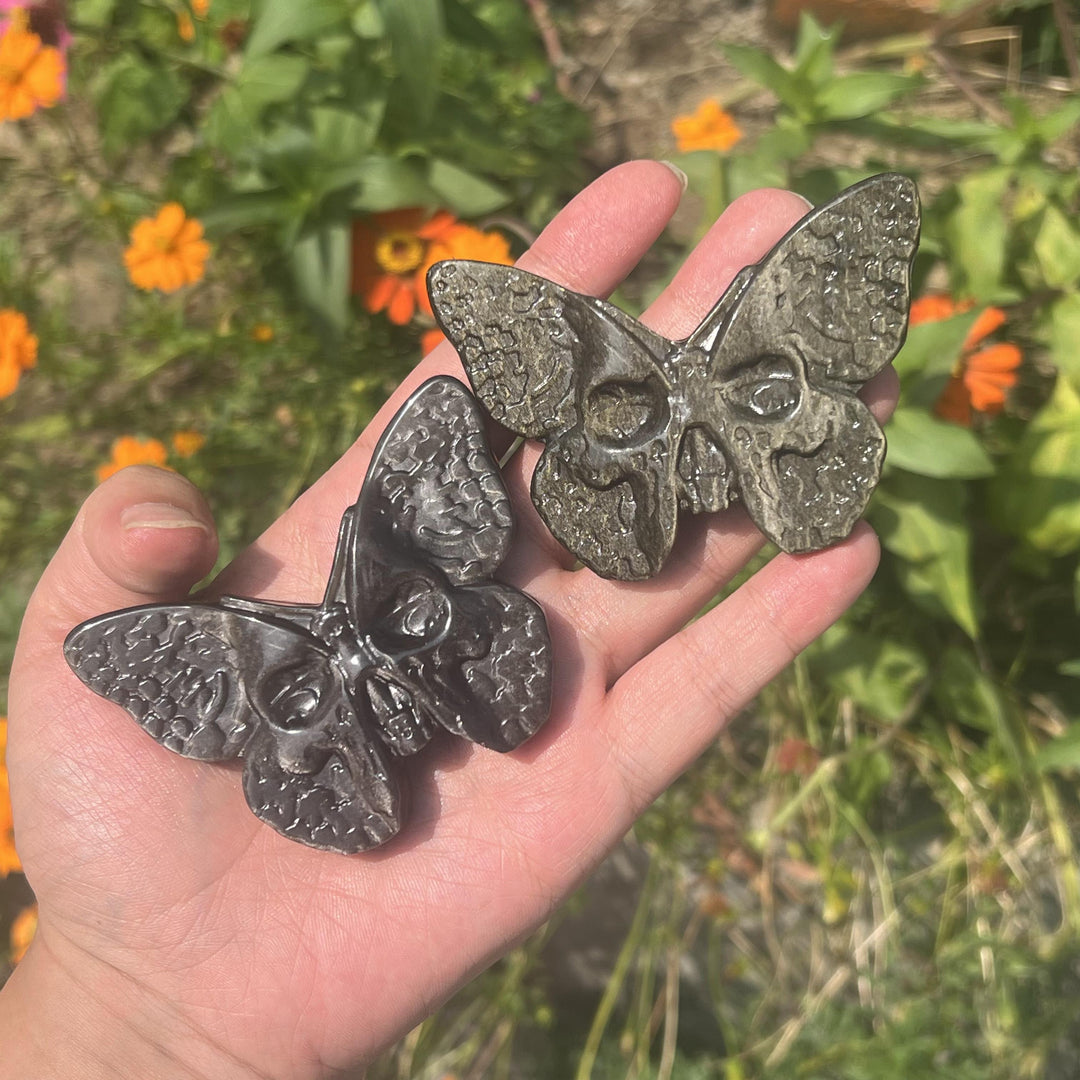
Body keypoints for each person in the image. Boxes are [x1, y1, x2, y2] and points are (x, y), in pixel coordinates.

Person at [0, 161, 895, 1078]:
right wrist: (126, 1005)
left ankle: (382, 653)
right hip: (460, 641)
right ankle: (404, 638)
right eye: (293, 687)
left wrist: (119, 1016)